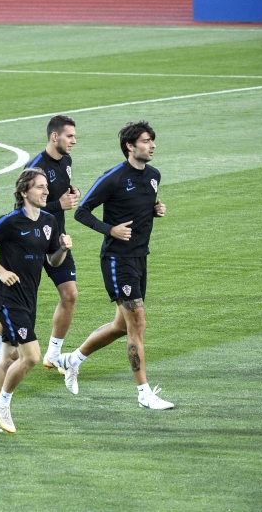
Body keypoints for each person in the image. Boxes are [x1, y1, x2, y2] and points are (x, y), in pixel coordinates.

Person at [61, 120, 173, 410]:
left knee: (121, 326)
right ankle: (144, 394)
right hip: (117, 260)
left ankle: (72, 360)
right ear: (130, 146)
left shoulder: (153, 176)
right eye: (146, 141)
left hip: (140, 257)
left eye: (152, 141)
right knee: (138, 324)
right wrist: (110, 230)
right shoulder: (113, 177)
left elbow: (139, 205)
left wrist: (155, 209)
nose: (152, 146)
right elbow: (82, 212)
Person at [0, 168, 72, 433]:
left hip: (29, 298)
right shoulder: (10, 221)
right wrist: (1, 271)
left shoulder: (49, 221)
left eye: (46, 186)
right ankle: (3, 403)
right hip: (8, 299)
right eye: (39, 187)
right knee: (32, 357)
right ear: (24, 192)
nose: (46, 191)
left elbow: (52, 260)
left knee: (8, 358)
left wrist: (62, 248)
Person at [0, 115, 80, 371]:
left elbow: (60, 189)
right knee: (16, 290)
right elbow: (21, 207)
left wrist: (72, 193)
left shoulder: (67, 162)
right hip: (30, 242)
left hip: (56, 239)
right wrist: (58, 205)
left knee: (70, 294)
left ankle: (54, 353)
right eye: (69, 136)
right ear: (54, 136)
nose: (74, 140)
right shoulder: (36, 166)